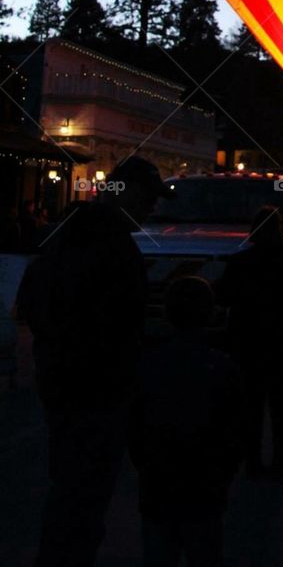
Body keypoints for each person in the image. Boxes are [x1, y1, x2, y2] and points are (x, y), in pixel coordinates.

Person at [16, 156, 168, 567]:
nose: (152, 208)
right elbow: (119, 325)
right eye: (147, 198)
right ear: (127, 193)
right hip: (95, 392)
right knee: (83, 496)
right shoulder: (111, 247)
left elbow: (31, 301)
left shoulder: (70, 237)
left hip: (68, 384)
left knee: (72, 492)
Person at [129, 276, 244, 567]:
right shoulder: (223, 368)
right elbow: (233, 432)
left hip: (158, 486)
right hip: (204, 488)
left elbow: (135, 429)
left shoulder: (147, 366)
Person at [217, 205, 283, 479]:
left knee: (252, 406)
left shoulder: (240, 262)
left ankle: (253, 461)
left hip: (249, 344)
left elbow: (223, 296)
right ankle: (282, 460)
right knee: (282, 406)